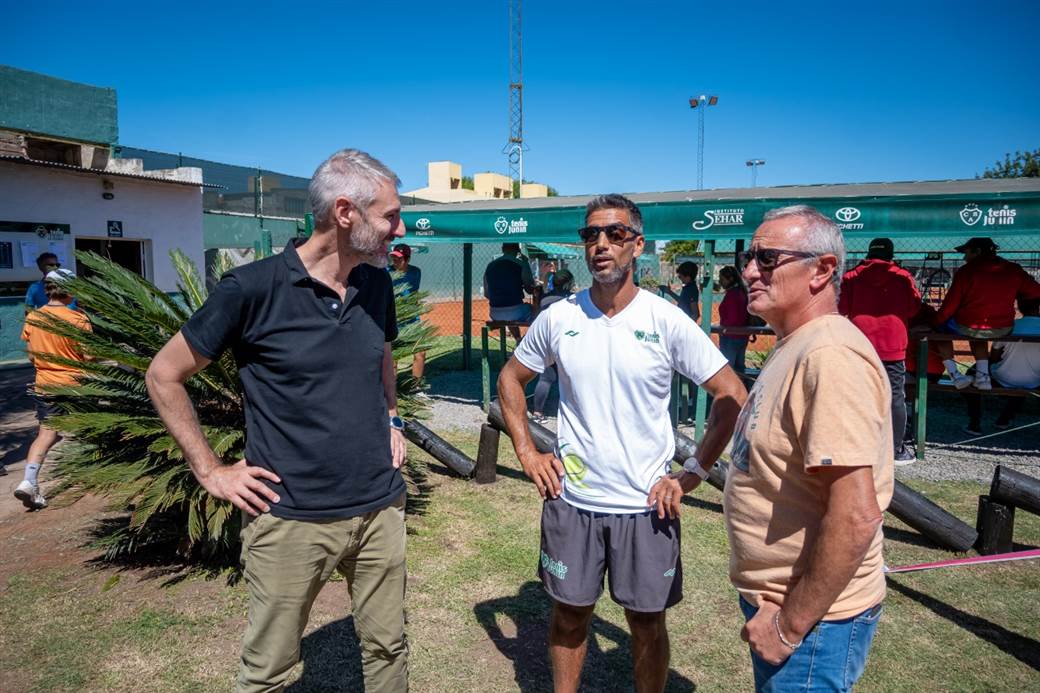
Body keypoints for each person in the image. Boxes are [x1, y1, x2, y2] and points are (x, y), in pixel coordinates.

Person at [146, 148, 409, 692]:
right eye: (389, 216)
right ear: (345, 213)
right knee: (269, 672)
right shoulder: (250, 289)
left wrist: (393, 418)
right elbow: (163, 375)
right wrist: (210, 470)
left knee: (388, 648)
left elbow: (383, 353)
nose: (398, 228)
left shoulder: (377, 284)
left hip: (379, 508)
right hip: (288, 517)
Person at [497, 194, 747, 693]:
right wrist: (527, 451)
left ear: (637, 244)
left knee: (647, 624)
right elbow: (509, 379)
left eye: (613, 234)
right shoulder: (557, 317)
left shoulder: (666, 319)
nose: (601, 245)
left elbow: (732, 396)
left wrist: (693, 472)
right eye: (591, 235)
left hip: (646, 507)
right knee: (570, 618)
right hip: (574, 502)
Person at [727, 205, 893, 692]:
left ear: (822, 270)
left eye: (768, 258)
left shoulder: (829, 356)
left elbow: (856, 515)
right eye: (748, 256)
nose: (750, 270)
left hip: (814, 623)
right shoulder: (798, 343)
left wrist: (790, 626)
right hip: (788, 607)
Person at [838, 237, 923, 464]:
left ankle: (857, 444)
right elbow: (913, 308)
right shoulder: (902, 277)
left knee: (859, 395)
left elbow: (842, 308)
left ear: (869, 253)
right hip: (893, 346)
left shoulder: (851, 276)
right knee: (895, 396)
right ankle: (895, 451)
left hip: (860, 344)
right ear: (891, 255)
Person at [16, 269, 91, 510]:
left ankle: (29, 481)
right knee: (92, 429)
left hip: (45, 384)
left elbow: (31, 356)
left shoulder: (34, 318)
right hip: (75, 385)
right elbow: (89, 356)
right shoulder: (78, 319)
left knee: (45, 435)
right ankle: (95, 477)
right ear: (69, 291)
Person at [932, 237, 1040, 390]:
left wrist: (935, 322)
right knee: (977, 330)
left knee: (941, 329)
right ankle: (982, 377)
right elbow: (1036, 291)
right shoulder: (1013, 269)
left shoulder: (966, 271)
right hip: (1003, 327)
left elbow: (949, 306)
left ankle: (955, 375)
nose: (964, 257)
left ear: (977, 252)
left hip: (969, 325)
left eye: (967, 253)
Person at [963, 296, 1040, 435]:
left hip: (1004, 378)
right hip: (1035, 381)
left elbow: (994, 357)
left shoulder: (1010, 326)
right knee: (1022, 379)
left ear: (1020, 307)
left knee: (969, 376)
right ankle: (1004, 419)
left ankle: (974, 423)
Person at [529, 268, 575, 423]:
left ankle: (537, 412)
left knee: (546, 377)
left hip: (546, 339)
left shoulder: (545, 298)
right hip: (566, 341)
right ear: (568, 284)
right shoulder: (571, 299)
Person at [483, 242, 536, 341]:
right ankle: (528, 342)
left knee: (511, 313)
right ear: (518, 250)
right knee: (537, 311)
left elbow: (486, 294)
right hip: (516, 311)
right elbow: (530, 289)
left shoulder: (490, 266)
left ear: (503, 249)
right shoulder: (521, 264)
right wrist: (525, 262)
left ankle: (518, 340)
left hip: (494, 313)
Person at [390, 242, 427, 381]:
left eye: (399, 258)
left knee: (421, 353)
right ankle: (392, 391)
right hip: (393, 318)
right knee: (393, 357)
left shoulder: (415, 272)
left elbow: (412, 294)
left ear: (407, 259)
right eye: (393, 257)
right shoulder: (386, 273)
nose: (395, 261)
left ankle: (416, 389)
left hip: (411, 318)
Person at [718, 265, 750, 372]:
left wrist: (721, 328)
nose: (720, 282)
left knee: (728, 370)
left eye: (722, 279)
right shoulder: (741, 292)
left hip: (730, 337)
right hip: (742, 335)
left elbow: (732, 320)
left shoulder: (732, 295)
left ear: (730, 279)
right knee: (739, 369)